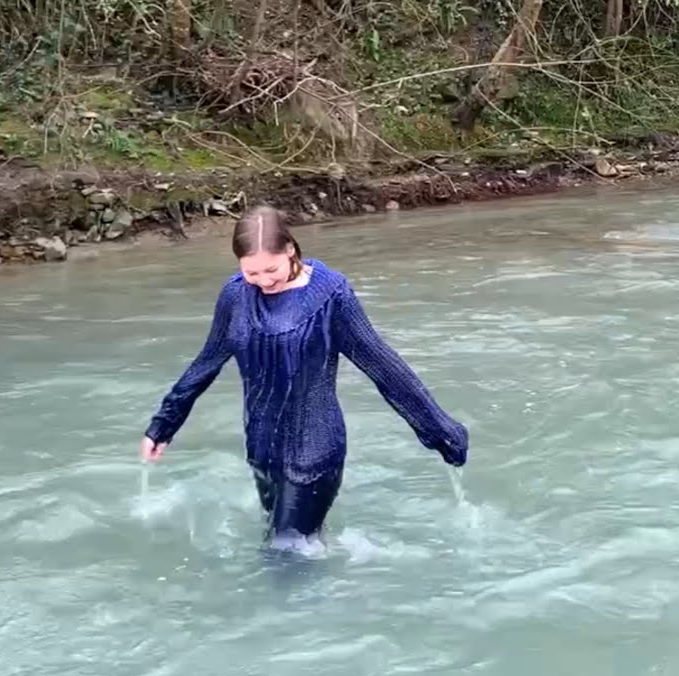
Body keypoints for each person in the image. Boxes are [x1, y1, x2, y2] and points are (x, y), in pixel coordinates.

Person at [140, 205, 468, 550]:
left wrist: (439, 430)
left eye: (272, 269)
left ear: (291, 250)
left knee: (284, 555)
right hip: (261, 446)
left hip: (314, 450)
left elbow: (383, 366)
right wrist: (163, 425)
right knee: (288, 543)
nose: (264, 281)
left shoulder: (331, 295)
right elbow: (206, 363)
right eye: (252, 272)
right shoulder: (234, 296)